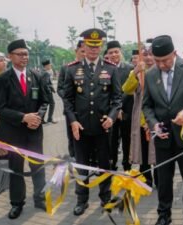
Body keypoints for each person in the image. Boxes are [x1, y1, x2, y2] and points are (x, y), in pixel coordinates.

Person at [143, 35, 183, 225]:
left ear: (175, 54)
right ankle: (164, 214)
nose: (161, 65)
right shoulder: (150, 74)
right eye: (157, 61)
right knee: (163, 180)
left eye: (165, 60)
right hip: (163, 137)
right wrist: (153, 123)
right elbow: (147, 106)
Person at [63, 28, 122, 216]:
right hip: (80, 128)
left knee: (105, 164)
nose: (94, 49)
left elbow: (117, 99)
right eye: (90, 45)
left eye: (97, 46)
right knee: (81, 164)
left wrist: (112, 117)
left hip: (103, 128)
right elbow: (67, 100)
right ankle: (82, 199)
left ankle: (105, 197)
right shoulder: (72, 69)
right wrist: (72, 121)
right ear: (83, 46)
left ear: (101, 46)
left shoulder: (110, 68)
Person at [0, 39, 49, 219]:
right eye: (20, 54)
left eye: (26, 54)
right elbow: (1, 108)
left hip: (34, 131)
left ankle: (40, 198)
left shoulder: (37, 75)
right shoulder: (2, 79)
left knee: (37, 166)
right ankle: (17, 203)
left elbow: (45, 101)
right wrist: (23, 117)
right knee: (16, 168)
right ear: (10, 57)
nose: (24, 57)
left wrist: (37, 117)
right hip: (13, 132)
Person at [123, 44, 157, 187]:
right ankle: (146, 178)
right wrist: (135, 72)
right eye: (145, 55)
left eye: (151, 54)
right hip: (141, 117)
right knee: (143, 149)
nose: (148, 58)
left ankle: (161, 179)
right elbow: (126, 89)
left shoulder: (161, 71)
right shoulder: (137, 72)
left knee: (158, 150)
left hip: (158, 118)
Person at [105, 40, 134, 171]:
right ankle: (112, 165)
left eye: (116, 52)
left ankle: (127, 166)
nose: (114, 55)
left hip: (127, 110)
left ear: (121, 52)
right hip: (110, 112)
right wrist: (114, 110)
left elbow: (130, 90)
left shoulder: (129, 69)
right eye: (111, 52)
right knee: (111, 140)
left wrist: (120, 108)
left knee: (127, 140)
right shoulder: (104, 69)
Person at [57, 40, 85, 157]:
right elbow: (60, 88)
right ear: (76, 51)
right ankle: (74, 159)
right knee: (73, 137)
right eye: (82, 51)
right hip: (72, 110)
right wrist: (69, 98)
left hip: (87, 109)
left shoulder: (93, 67)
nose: (85, 54)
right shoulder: (66, 68)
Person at [41, 59, 57, 124]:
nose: (50, 66)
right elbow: (45, 84)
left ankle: (42, 119)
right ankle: (50, 119)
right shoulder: (46, 73)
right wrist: (50, 90)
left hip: (44, 91)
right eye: (49, 65)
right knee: (52, 104)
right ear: (46, 66)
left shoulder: (43, 72)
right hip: (47, 92)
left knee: (45, 105)